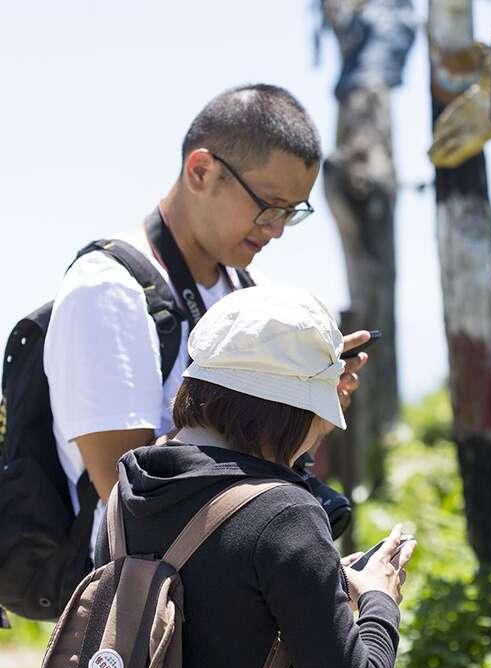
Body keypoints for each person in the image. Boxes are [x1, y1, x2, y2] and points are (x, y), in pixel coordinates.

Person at [42, 84, 369, 547]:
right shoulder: (109, 291)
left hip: (234, 574)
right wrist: (270, 402)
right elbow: (129, 493)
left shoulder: (253, 293)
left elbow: (267, 454)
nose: (276, 230)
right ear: (201, 171)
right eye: (268, 207)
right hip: (145, 602)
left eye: (292, 213)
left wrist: (307, 406)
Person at [94, 284, 414, 668]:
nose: (326, 425)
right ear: (290, 411)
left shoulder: (129, 487)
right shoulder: (284, 514)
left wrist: (320, 580)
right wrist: (380, 599)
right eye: (321, 409)